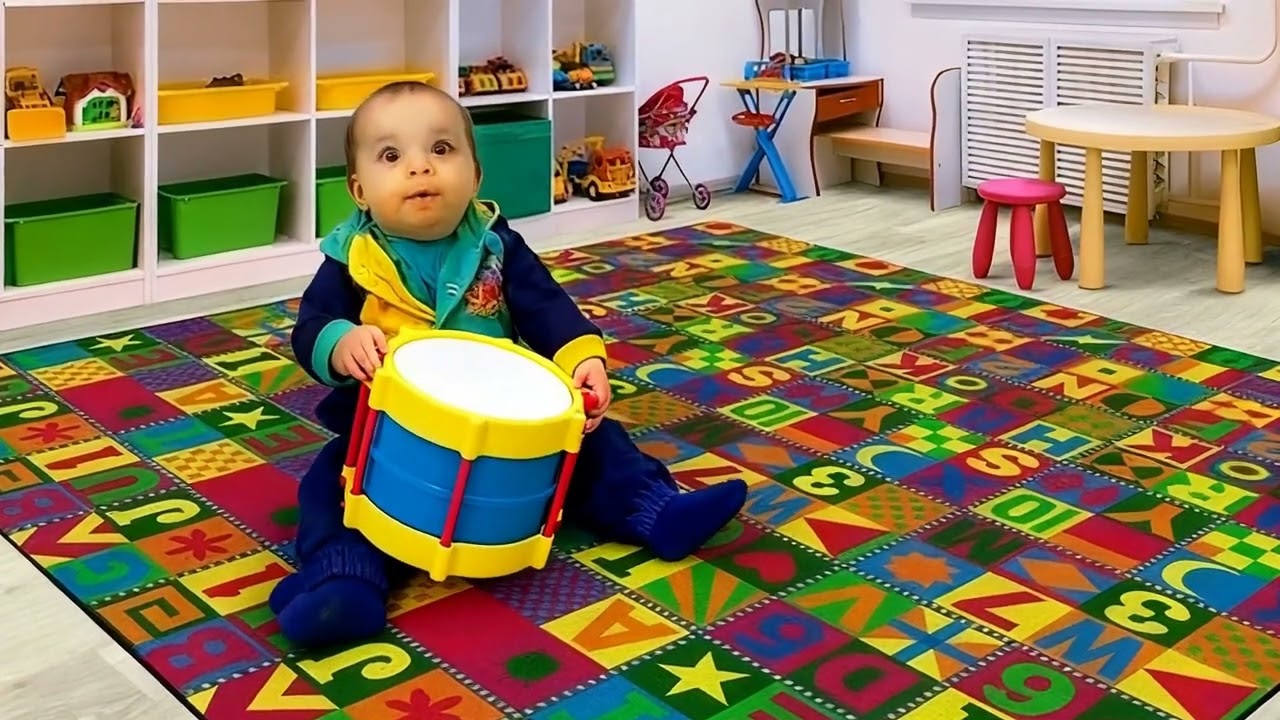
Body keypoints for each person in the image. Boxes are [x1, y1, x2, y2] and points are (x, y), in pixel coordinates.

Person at [274, 81, 748, 649]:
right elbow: (311, 325)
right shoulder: (353, 258)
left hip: (507, 430)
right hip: (385, 429)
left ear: (476, 175)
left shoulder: (496, 245)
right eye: (392, 156)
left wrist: (583, 360)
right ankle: (342, 581)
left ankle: (655, 511)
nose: (420, 169)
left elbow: (546, 306)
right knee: (332, 486)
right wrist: (340, 341)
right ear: (359, 189)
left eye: (442, 150)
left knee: (595, 443)